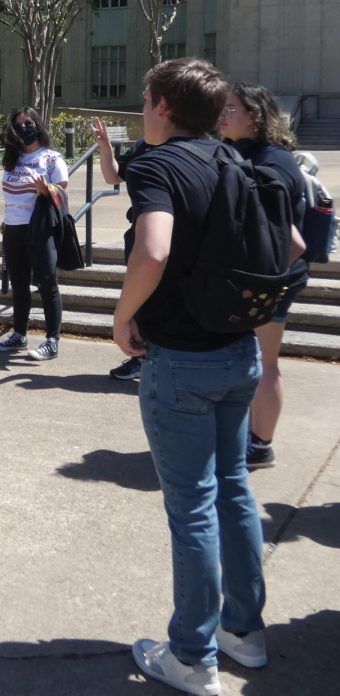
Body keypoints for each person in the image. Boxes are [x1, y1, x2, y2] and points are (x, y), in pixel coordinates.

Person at [112, 58, 301, 695]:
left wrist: (122, 316)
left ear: (163, 105)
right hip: (239, 352)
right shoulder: (234, 161)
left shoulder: (157, 166)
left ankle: (191, 655)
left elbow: (154, 249)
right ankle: (243, 633)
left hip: (183, 361)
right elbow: (295, 243)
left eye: (145, 98)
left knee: (192, 508)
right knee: (234, 492)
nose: (143, 108)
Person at [218, 82, 308, 469]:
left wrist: (262, 278)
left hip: (270, 280)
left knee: (265, 362)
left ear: (254, 115)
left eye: (231, 108)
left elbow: (295, 242)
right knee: (251, 360)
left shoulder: (273, 162)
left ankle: (260, 444)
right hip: (261, 278)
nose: (222, 114)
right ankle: (249, 437)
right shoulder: (250, 153)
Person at [0, 107, 68, 360]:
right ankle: (20, 335)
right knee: (19, 284)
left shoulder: (52, 159)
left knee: (47, 282)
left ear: (38, 125)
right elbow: (9, 195)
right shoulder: (11, 159)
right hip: (13, 228)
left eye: (29, 122)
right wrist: (6, 220)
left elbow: (63, 196)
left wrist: (46, 190)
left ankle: (52, 340)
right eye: (19, 124)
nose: (25, 127)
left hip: (39, 229)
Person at [91, 117, 151, 381]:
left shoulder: (189, 148)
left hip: (170, 239)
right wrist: (105, 147)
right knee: (143, 302)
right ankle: (141, 358)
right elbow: (112, 175)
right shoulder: (143, 147)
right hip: (138, 233)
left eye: (150, 101)